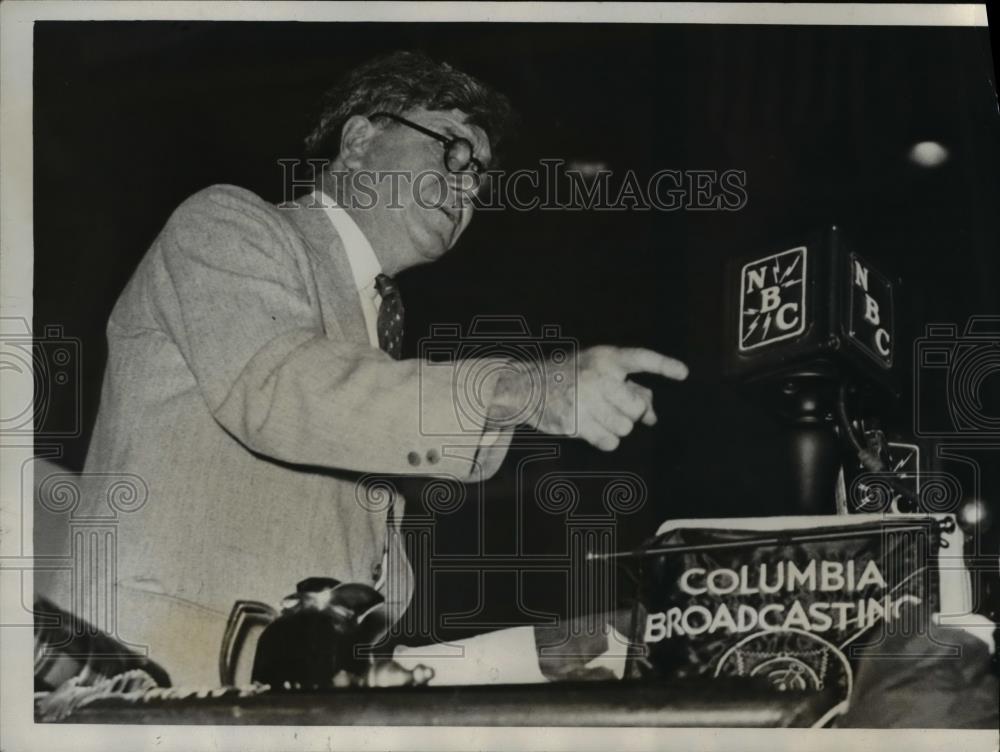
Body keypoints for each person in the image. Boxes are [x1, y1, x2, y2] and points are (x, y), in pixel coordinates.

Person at [38, 50, 688, 686]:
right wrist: (525, 387)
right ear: (357, 142)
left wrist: (530, 654)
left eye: (481, 178)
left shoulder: (378, 334)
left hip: (274, 697)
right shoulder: (225, 225)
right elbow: (285, 389)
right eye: (453, 150)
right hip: (143, 675)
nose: (467, 186)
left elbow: (360, 573)